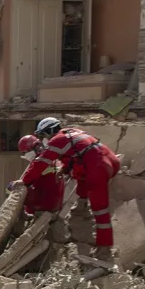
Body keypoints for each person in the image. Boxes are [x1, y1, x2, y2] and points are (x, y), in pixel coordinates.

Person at [24, 117, 121, 279]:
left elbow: (41, 162)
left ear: (49, 131)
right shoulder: (73, 132)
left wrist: (24, 181)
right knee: (82, 190)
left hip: (98, 168)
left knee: (101, 213)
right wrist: (66, 168)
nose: (44, 140)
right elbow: (79, 155)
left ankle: (104, 252)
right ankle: (82, 218)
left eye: (44, 135)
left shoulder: (58, 140)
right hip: (107, 159)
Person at [11, 134, 66, 217]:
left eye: (25, 152)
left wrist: (16, 184)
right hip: (56, 202)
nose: (25, 155)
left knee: (12, 187)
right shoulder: (51, 158)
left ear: (32, 149)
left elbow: (28, 179)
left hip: (44, 203)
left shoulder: (39, 162)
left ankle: (22, 216)